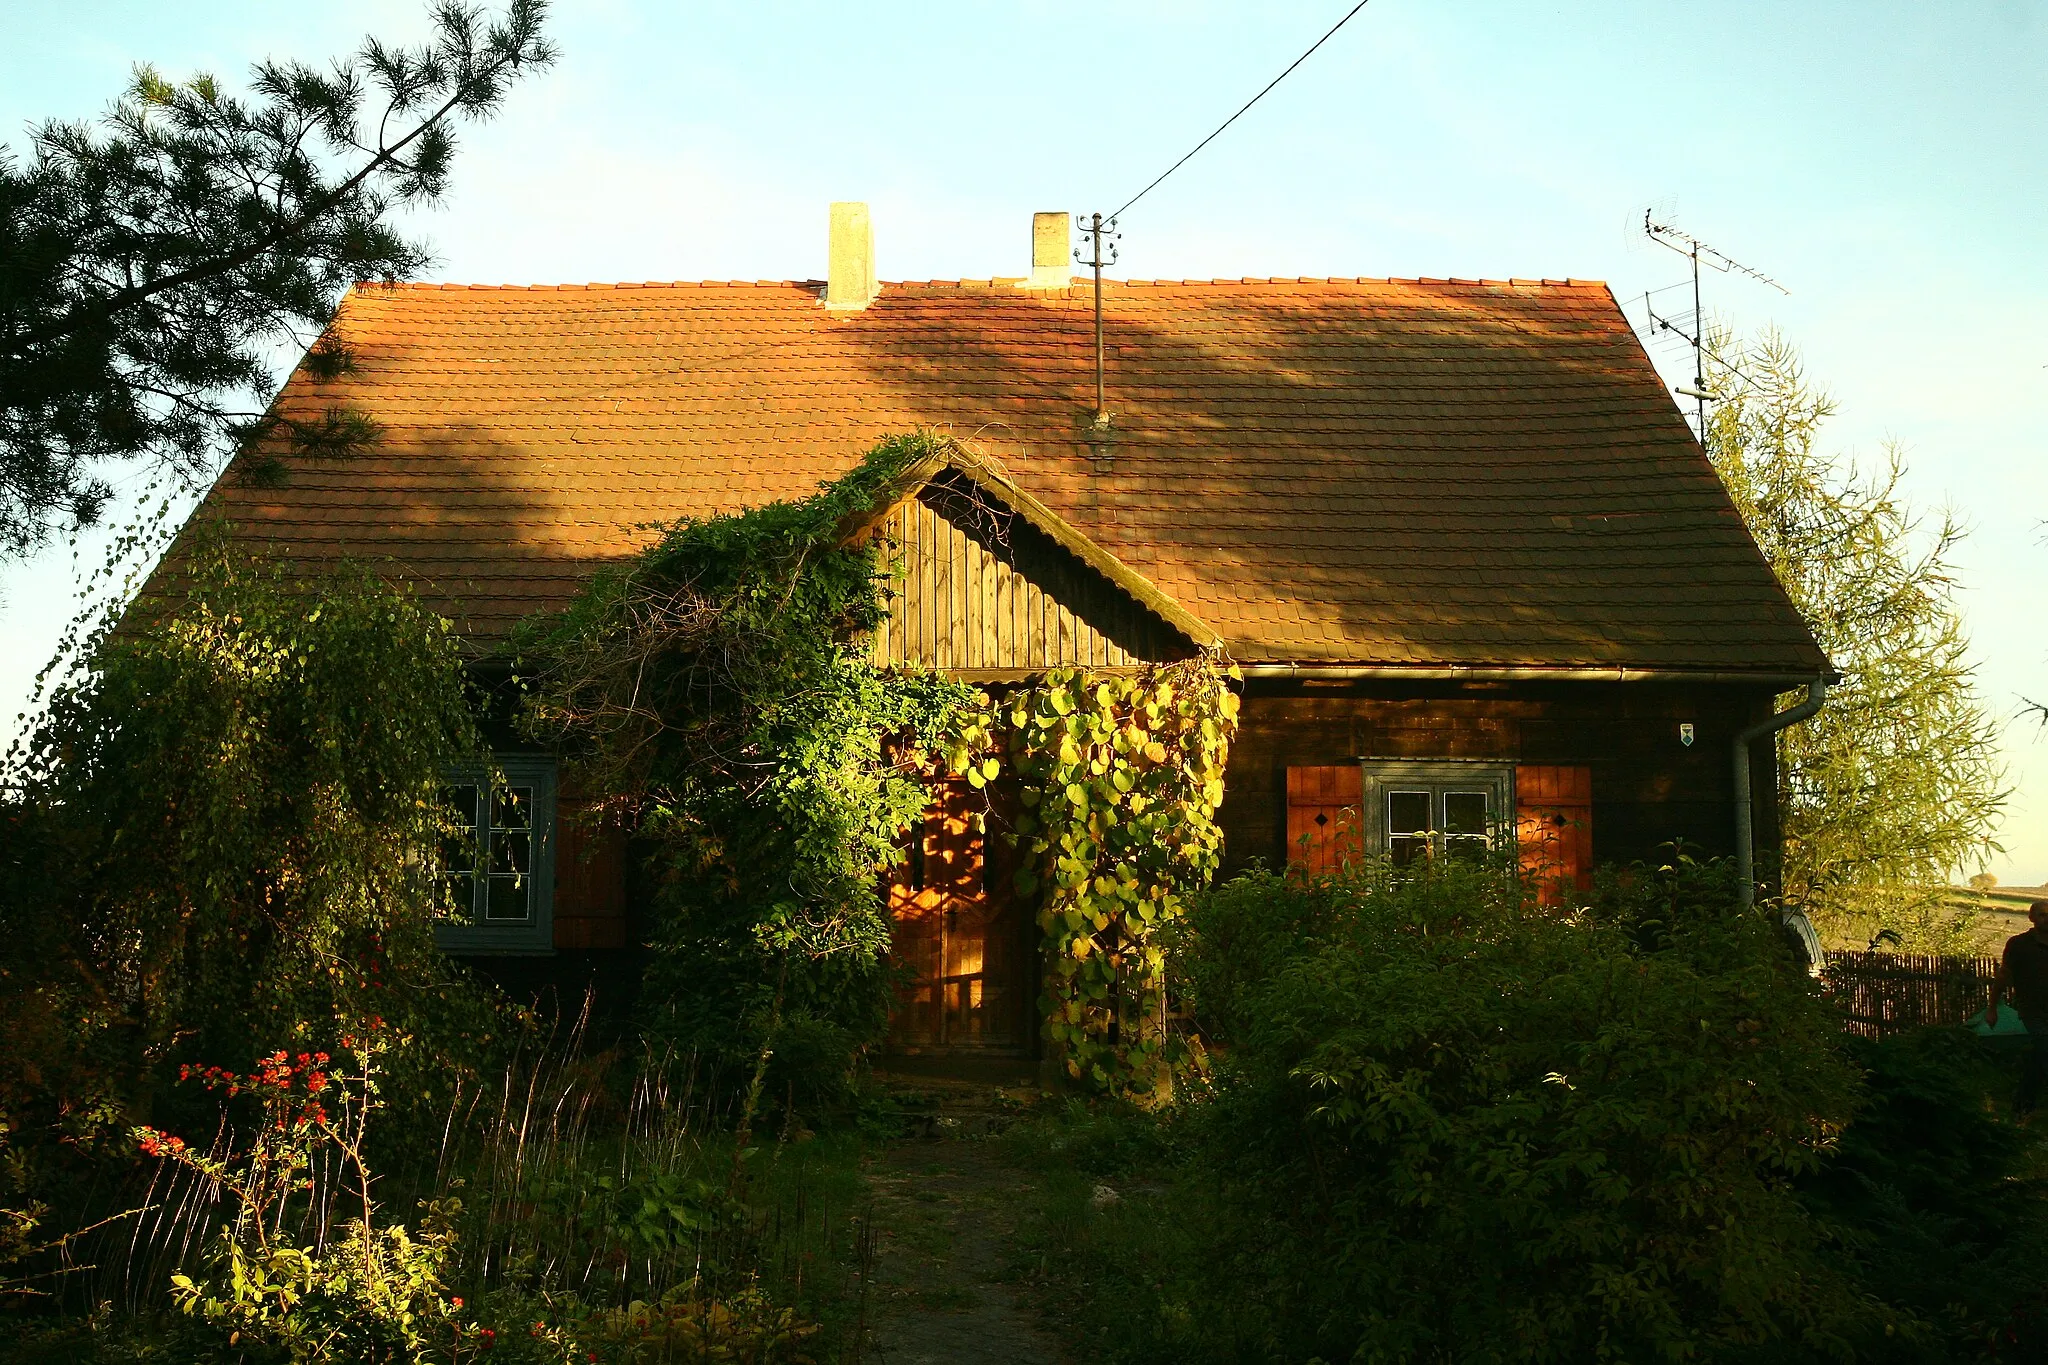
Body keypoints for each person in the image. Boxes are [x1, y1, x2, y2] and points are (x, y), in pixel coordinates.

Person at [1987, 900, 2048, 1116]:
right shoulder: (2019, 945)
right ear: (2032, 918)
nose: (2046, 918)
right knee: (2043, 1050)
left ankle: (2026, 1103)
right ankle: (2025, 1104)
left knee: (2039, 1058)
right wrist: (1992, 1007)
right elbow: (2003, 977)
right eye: (2042, 914)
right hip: (2032, 1011)